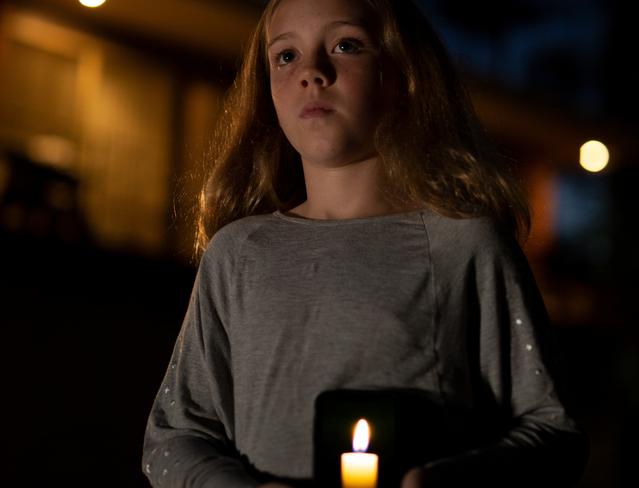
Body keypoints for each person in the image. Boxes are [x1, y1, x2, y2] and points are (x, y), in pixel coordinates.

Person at [142, 0, 589, 487]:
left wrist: (444, 480)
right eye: (286, 56)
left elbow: (553, 432)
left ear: (404, 76)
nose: (312, 71)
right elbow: (174, 436)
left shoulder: (463, 246)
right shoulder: (237, 256)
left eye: (346, 45)